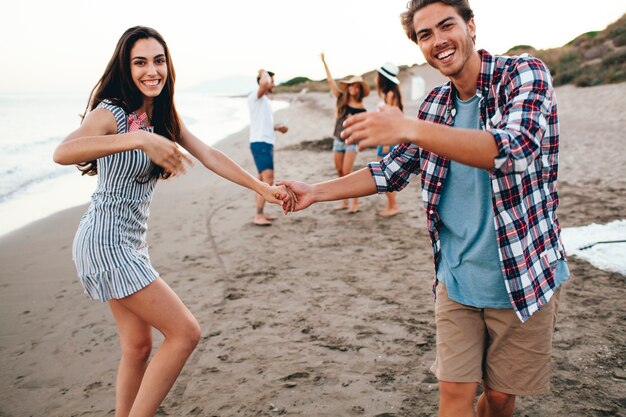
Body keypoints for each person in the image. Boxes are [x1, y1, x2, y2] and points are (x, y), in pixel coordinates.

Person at [279, 1, 569, 416]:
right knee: (453, 393)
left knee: (502, 397)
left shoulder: (523, 74)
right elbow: (391, 170)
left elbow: (514, 149)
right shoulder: (435, 104)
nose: (437, 41)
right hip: (457, 277)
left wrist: (410, 127)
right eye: (424, 35)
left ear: (471, 25)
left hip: (524, 271)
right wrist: (315, 191)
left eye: (446, 26)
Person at [53, 26, 293, 417]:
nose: (152, 70)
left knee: (138, 347)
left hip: (130, 242)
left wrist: (260, 188)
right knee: (185, 332)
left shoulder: (162, 116)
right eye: (140, 62)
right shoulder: (112, 111)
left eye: (159, 60)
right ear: (125, 68)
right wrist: (138, 139)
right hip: (105, 241)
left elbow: (210, 155)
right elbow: (63, 152)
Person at [320, 52, 369, 213]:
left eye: (357, 86)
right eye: (352, 85)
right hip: (338, 139)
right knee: (340, 172)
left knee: (348, 172)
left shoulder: (361, 107)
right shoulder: (341, 98)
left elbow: (363, 128)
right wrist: (324, 61)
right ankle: (345, 202)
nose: (354, 88)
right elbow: (329, 81)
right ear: (348, 87)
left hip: (351, 141)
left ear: (359, 89)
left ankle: (355, 202)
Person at [248, 69, 289, 226]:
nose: (273, 83)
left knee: (262, 181)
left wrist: (277, 127)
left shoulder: (263, 100)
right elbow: (264, 82)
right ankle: (258, 215)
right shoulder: (255, 96)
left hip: (264, 143)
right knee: (268, 180)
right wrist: (264, 72)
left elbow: (263, 125)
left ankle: (260, 213)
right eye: (272, 80)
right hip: (260, 144)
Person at [374, 62, 403, 218]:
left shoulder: (391, 95)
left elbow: (391, 120)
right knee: (385, 173)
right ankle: (391, 205)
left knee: (384, 174)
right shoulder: (389, 94)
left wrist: (385, 143)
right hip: (385, 138)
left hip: (388, 139)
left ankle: (393, 206)